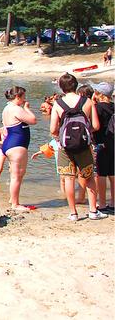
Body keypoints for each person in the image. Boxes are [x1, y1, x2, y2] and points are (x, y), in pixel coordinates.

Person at [49, 73, 106, 221]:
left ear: (61, 87)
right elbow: (96, 126)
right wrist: (84, 132)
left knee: (69, 179)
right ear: (76, 85)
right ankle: (93, 211)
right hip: (84, 145)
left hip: (65, 147)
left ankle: (73, 213)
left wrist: (62, 135)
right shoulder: (87, 102)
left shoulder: (58, 104)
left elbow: (53, 129)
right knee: (89, 178)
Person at [0, 86, 37, 211]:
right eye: (23, 97)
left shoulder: (6, 108)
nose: (24, 99)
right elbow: (33, 120)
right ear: (17, 97)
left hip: (9, 143)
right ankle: (15, 204)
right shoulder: (16, 109)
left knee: (16, 174)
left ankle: (12, 199)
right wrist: (27, 109)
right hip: (16, 144)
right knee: (17, 175)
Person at [91, 82, 114, 213]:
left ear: (99, 94)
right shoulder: (114, 106)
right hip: (113, 142)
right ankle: (113, 202)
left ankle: (103, 204)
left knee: (101, 174)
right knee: (113, 173)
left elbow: (95, 126)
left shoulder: (97, 108)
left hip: (101, 143)